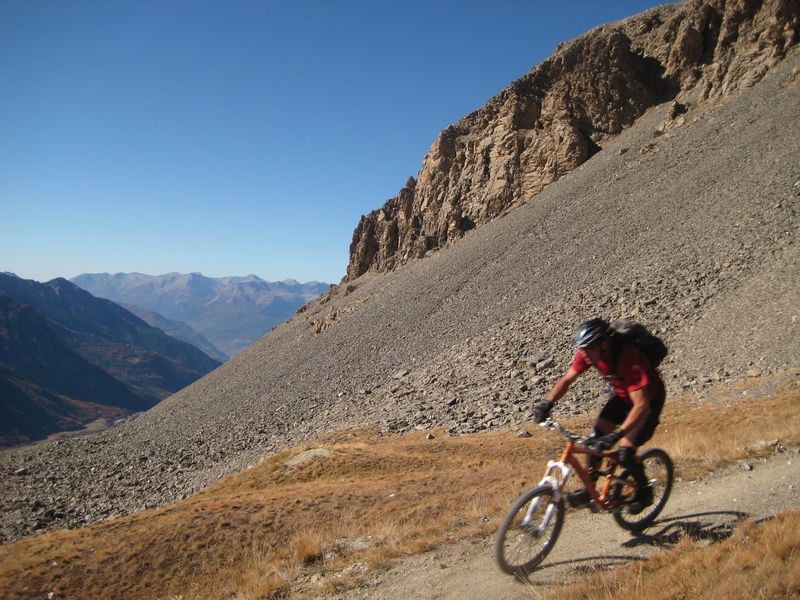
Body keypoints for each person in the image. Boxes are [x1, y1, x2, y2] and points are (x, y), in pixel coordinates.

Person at [533, 318, 666, 513]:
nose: (584, 354)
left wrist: (617, 434)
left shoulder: (628, 358)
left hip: (648, 402)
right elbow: (568, 379)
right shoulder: (588, 353)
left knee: (625, 451)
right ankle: (589, 490)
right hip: (622, 397)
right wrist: (547, 403)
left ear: (604, 344)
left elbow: (641, 405)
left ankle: (645, 491)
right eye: (582, 349)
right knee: (594, 439)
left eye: (588, 349)